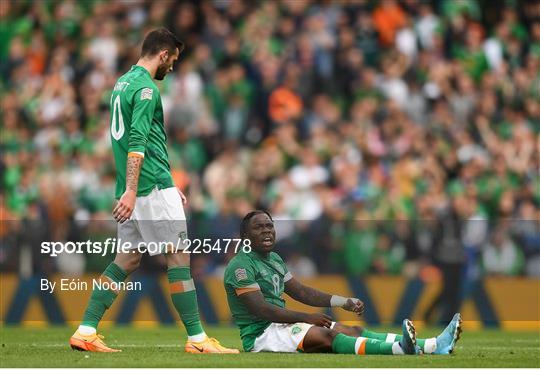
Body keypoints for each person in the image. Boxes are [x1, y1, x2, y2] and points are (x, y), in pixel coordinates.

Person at [69, 28, 238, 354]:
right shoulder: (147, 90)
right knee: (178, 256)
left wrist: (138, 188)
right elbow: (137, 144)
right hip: (148, 187)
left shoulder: (122, 84)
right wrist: (137, 189)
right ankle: (198, 340)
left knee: (127, 259)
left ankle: (86, 330)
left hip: (139, 186)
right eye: (172, 60)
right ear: (162, 55)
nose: (172, 67)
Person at [224, 210, 462, 355]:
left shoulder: (274, 259)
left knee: (352, 329)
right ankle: (401, 349)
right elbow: (261, 309)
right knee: (328, 337)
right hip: (261, 335)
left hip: (280, 327)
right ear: (246, 237)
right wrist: (307, 318)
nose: (267, 231)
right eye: (259, 227)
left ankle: (433, 344)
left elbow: (301, 291)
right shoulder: (240, 266)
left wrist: (342, 301)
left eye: (270, 226)